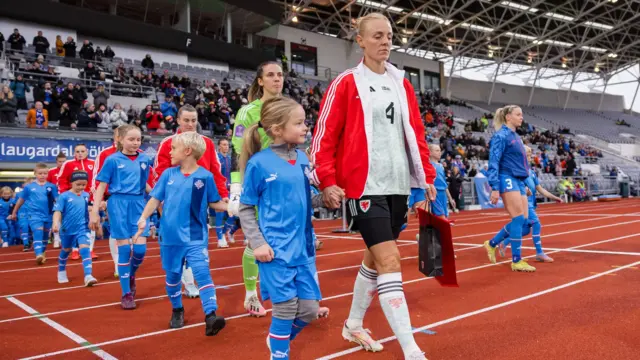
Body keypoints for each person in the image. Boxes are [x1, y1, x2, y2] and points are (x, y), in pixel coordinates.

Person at [308, 12, 436, 359]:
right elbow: (323, 137)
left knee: (375, 260)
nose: (385, 41)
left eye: (389, 36)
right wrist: (329, 180)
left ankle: (352, 324)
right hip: (364, 187)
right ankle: (411, 349)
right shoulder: (346, 83)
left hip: (397, 186)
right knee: (391, 260)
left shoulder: (402, 83)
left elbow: (416, 135)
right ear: (360, 41)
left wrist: (425, 178)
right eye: (377, 36)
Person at [239, 96, 324, 359]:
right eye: (298, 123)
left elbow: (309, 197)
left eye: (305, 122)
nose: (305, 127)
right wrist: (258, 243)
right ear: (277, 129)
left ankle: (278, 341)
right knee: (285, 309)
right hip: (275, 251)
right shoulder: (259, 163)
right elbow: (245, 209)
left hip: (304, 249)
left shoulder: (302, 158)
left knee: (309, 311)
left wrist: (327, 197)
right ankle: (279, 354)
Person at [136, 132, 227, 336]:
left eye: (173, 148)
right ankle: (177, 309)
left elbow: (213, 201)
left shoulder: (205, 176)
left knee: (202, 273)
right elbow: (154, 199)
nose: (170, 151)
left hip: (196, 235)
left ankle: (211, 316)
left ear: (187, 151)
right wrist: (144, 217)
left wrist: (231, 207)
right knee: (173, 276)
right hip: (170, 236)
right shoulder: (168, 175)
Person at [154, 104, 230, 299]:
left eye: (193, 120)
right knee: (178, 248)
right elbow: (160, 173)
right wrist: (162, 202)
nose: (190, 124)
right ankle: (183, 283)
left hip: (198, 203)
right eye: (186, 120)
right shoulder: (168, 143)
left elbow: (216, 171)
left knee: (196, 244)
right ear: (178, 121)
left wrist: (223, 195)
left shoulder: (207, 143)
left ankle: (191, 281)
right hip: (174, 204)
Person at [228, 61, 284, 317]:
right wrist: (236, 186)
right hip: (258, 184)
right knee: (255, 239)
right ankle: (251, 295)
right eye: (270, 75)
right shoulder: (248, 111)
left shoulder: (287, 108)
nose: (277, 79)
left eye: (280, 74)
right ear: (260, 81)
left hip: (284, 182)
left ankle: (289, 294)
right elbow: (237, 149)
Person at [91, 125, 153, 309]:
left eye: (138, 139)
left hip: (139, 205)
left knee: (140, 252)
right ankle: (126, 293)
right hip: (117, 204)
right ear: (120, 140)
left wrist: (159, 200)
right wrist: (94, 211)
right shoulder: (111, 160)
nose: (135, 143)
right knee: (124, 251)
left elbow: (146, 185)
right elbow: (101, 187)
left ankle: (131, 274)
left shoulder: (145, 159)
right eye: (131, 139)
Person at [483, 105, 536, 272]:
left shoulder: (516, 136)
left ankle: (492, 244)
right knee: (518, 219)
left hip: (518, 180)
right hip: (507, 178)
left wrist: (526, 183)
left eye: (522, 114)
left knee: (524, 221)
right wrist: (495, 187)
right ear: (508, 117)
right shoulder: (501, 136)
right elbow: (493, 162)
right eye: (518, 114)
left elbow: (522, 164)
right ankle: (516, 260)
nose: (522, 117)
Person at [497, 145, 563, 262]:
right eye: (526, 155)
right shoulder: (517, 171)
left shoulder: (532, 173)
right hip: (524, 204)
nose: (529, 157)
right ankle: (539, 253)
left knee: (526, 230)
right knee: (536, 224)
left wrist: (554, 197)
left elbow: (540, 189)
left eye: (529, 155)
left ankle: (504, 242)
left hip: (531, 205)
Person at [52, 171, 98, 286]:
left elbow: (92, 209)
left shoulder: (86, 196)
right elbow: (57, 211)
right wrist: (55, 223)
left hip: (83, 228)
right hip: (67, 229)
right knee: (66, 250)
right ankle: (61, 271)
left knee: (85, 248)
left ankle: (88, 275)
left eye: (83, 185)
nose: (81, 187)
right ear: (71, 183)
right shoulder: (64, 196)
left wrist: (95, 216)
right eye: (78, 184)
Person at [11, 164, 59, 265]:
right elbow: (21, 200)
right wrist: (14, 212)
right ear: (35, 174)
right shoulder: (29, 187)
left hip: (48, 215)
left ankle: (42, 252)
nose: (42, 175)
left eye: (45, 173)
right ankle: (38, 255)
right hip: (34, 214)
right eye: (40, 173)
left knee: (45, 238)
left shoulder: (51, 186)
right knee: (37, 233)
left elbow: (57, 200)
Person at [57, 143, 96, 260]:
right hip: (73, 199)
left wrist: (97, 196)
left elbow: (97, 180)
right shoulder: (68, 164)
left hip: (89, 198)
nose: (80, 154)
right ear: (74, 153)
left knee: (91, 223)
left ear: (87, 152)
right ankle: (75, 250)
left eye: (82, 151)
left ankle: (90, 249)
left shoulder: (93, 164)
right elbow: (61, 180)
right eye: (77, 151)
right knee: (75, 223)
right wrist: (66, 194)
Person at [214, 138, 235, 248]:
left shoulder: (230, 159)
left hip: (230, 189)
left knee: (234, 212)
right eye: (224, 144)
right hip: (219, 189)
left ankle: (224, 231)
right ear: (219, 146)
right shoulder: (216, 158)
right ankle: (219, 238)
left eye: (227, 145)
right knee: (220, 213)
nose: (226, 147)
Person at [48, 152, 67, 249]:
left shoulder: (69, 169)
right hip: (55, 198)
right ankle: (56, 238)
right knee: (56, 218)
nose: (62, 163)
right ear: (56, 162)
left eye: (64, 161)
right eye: (60, 161)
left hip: (67, 198)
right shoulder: (51, 171)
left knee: (66, 219)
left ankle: (64, 239)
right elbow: (47, 185)